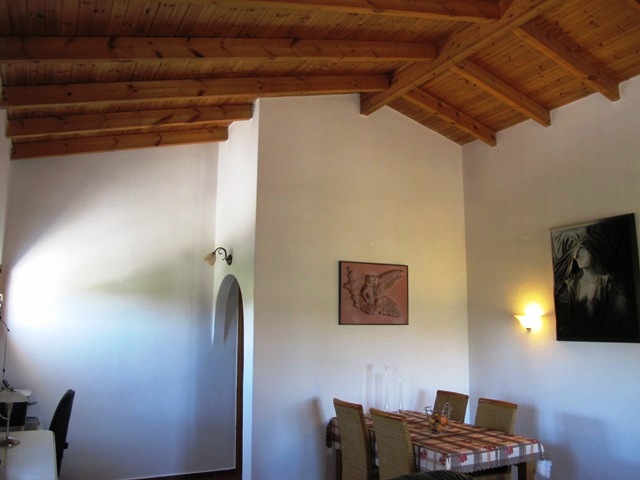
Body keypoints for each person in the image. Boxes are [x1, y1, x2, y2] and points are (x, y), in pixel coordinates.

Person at [556, 236, 638, 340]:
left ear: (593, 254)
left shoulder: (608, 282)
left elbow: (624, 314)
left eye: (583, 255)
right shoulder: (572, 284)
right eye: (577, 256)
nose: (579, 258)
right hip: (580, 339)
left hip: (608, 337)